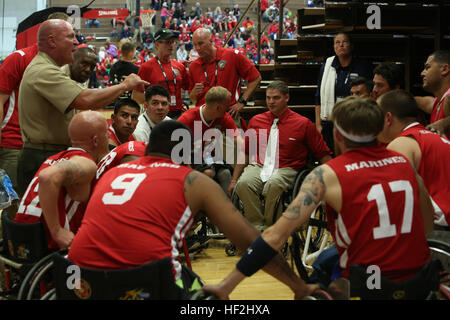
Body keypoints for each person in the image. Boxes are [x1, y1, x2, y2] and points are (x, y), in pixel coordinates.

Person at [204, 96, 435, 300]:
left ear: (337, 135)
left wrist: (227, 284)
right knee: (327, 260)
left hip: (368, 283)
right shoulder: (404, 162)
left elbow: (275, 236)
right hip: (419, 278)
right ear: (378, 129)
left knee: (325, 275)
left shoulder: (327, 175)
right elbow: (426, 226)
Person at [68, 120, 316, 299]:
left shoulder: (115, 172)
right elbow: (253, 242)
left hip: (78, 279)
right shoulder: (194, 181)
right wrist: (298, 286)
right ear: (185, 152)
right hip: (144, 283)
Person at [17, 19, 148, 196]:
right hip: (41, 155)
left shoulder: (53, 69)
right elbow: (85, 99)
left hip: (52, 153)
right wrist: (124, 86)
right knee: (44, 219)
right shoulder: (43, 71)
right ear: (52, 41)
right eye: (70, 37)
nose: (76, 41)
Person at [231, 81, 332, 231]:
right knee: (244, 183)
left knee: (274, 183)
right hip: (260, 165)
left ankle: (274, 229)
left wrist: (332, 181)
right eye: (268, 98)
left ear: (286, 98)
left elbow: (323, 154)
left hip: (288, 167)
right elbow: (245, 152)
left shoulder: (303, 124)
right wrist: (234, 179)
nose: (271, 102)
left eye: (276, 98)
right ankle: (258, 228)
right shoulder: (256, 121)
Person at [14, 111, 110, 250]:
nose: (108, 136)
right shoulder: (86, 163)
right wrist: (57, 231)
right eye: (106, 132)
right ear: (95, 140)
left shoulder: (53, 158)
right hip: (43, 243)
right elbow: (47, 177)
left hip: (20, 234)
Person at [0, 13, 69, 201]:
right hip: (15, 144)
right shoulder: (18, 58)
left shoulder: (65, 65)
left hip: (51, 146)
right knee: (15, 201)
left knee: (50, 201)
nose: (72, 40)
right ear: (51, 36)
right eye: (68, 35)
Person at [377, 89, 450, 228]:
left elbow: (396, 199)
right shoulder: (433, 137)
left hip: (442, 230)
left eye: (376, 116)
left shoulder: (401, 143)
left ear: (388, 118)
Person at [315, 33, 373, 154]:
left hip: (355, 119)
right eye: (337, 42)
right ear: (334, 47)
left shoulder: (362, 66)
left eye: (344, 42)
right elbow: (318, 96)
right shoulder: (327, 66)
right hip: (330, 120)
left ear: (351, 46)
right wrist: (318, 124)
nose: (341, 45)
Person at [178, 86, 240, 193]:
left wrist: (251, 147)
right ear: (218, 107)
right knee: (207, 172)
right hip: (188, 156)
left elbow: (238, 140)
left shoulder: (223, 117)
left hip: (209, 156)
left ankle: (228, 207)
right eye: (227, 106)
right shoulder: (187, 119)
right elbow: (175, 147)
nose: (229, 108)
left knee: (225, 173)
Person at [189, 28, 262, 120]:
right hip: (203, 117)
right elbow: (192, 99)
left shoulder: (232, 56)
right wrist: (194, 93)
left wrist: (242, 102)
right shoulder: (193, 66)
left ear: (211, 41)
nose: (197, 48)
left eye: (200, 43)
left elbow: (256, 78)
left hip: (228, 114)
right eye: (195, 45)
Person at [132, 28, 190, 119]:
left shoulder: (179, 66)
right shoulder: (146, 67)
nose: (171, 45)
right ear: (157, 44)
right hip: (157, 116)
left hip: (178, 114)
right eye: (167, 42)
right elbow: (136, 96)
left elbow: (189, 87)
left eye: (172, 42)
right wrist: (156, 101)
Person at [414, 50, 450, 139]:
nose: (422, 73)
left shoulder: (448, 98)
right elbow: (408, 100)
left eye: (427, 67)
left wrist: (444, 123)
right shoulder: (436, 102)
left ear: (444, 69)